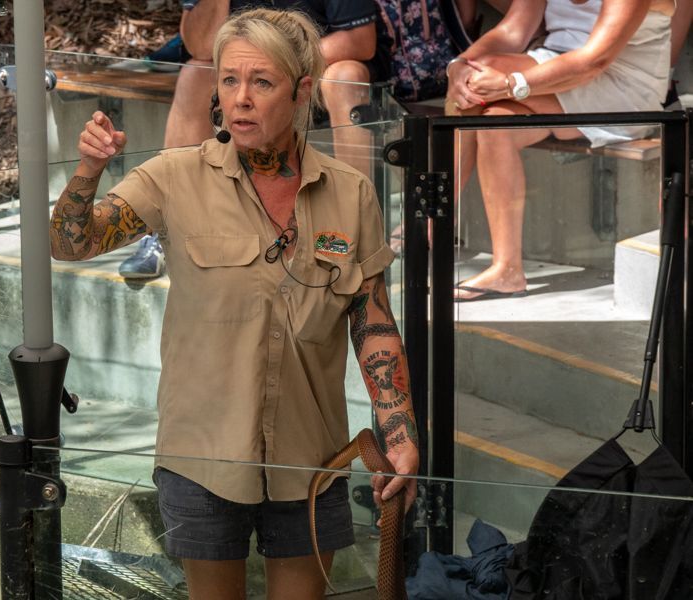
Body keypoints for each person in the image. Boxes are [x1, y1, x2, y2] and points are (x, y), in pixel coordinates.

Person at [49, 8, 418, 598]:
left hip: (312, 462)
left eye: (262, 82)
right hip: (202, 459)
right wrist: (89, 171)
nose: (240, 99)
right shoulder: (175, 176)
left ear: (301, 91)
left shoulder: (350, 194)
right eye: (229, 80)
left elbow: (373, 323)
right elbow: (72, 243)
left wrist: (399, 435)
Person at [119, 0, 388, 279]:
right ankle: (165, 229)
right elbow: (200, 46)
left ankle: (351, 231)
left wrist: (278, 62)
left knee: (346, 76)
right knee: (195, 73)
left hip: (318, 70)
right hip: (251, 72)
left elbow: (360, 41)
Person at [445, 0, 674, 302]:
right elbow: (513, 30)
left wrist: (512, 84)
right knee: (488, 111)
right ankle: (504, 268)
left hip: (621, 84)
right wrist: (459, 64)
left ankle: (430, 222)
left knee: (481, 83)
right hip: (554, 66)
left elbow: (595, 61)